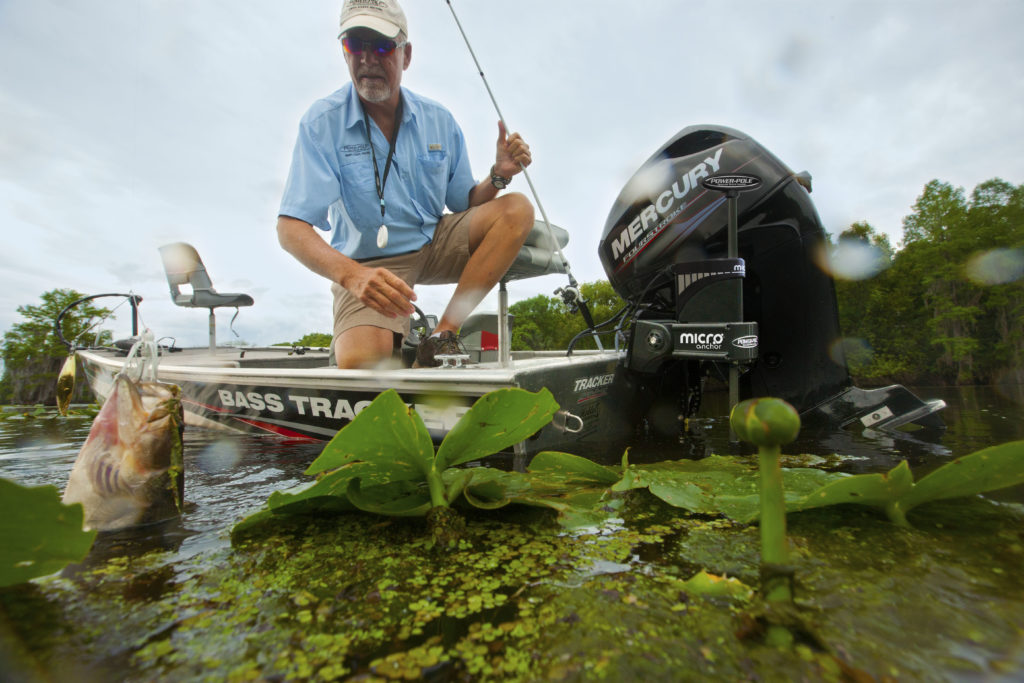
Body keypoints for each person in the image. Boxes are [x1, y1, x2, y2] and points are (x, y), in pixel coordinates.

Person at [277, 0, 534, 369]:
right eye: (356, 45)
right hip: (370, 264)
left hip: (435, 239)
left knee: (517, 208)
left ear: (406, 55)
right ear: (344, 51)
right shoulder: (321, 122)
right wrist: (353, 276)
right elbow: (290, 227)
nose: (368, 59)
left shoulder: (439, 120)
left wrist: (499, 176)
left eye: (381, 46)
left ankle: (441, 336)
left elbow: (464, 204)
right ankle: (383, 339)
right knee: (363, 364)